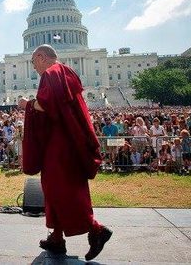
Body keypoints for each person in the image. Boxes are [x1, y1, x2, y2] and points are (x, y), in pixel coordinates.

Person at [18, 45, 112, 261]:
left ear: (41, 57)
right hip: (70, 140)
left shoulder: (51, 74)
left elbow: (46, 105)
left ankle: (96, 229)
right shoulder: (67, 72)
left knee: (61, 189)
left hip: (61, 144)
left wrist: (27, 104)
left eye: (34, 63)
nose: (34, 68)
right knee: (55, 188)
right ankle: (57, 239)